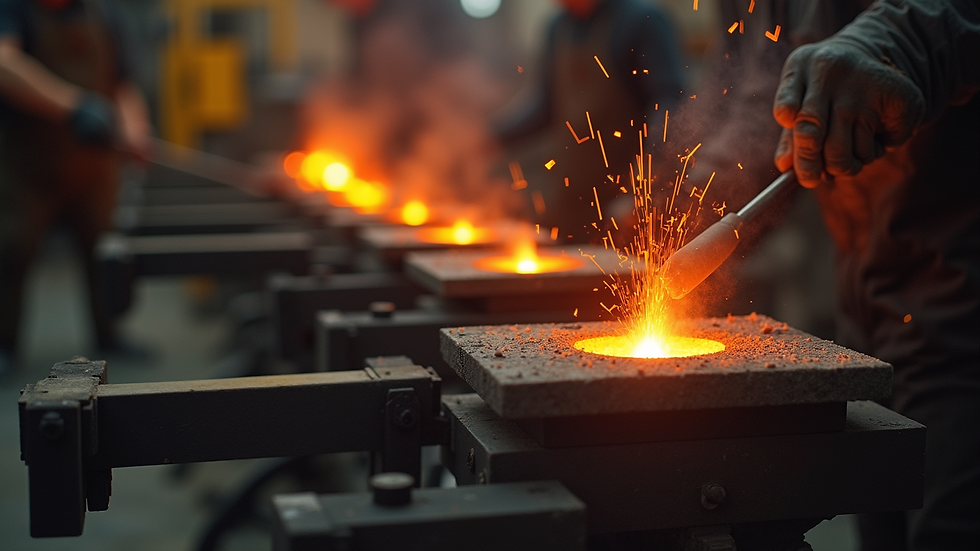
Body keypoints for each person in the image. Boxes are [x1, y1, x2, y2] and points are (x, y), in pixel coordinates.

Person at [688, 0, 978, 548]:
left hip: (961, 301)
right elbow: (764, 98)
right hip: (868, 306)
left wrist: (889, 43)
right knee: (881, 521)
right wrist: (692, 198)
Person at [0, 0, 151, 375]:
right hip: (27, 161)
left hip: (94, 165)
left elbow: (123, 83)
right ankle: (3, 344)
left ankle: (108, 333)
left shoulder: (103, 13)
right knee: (11, 249)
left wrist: (135, 130)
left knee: (103, 249)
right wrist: (73, 105)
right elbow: (3, 62)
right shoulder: (13, 8)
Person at [495, 0, 685, 242]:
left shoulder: (642, 21)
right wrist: (489, 137)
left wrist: (643, 190)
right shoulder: (558, 28)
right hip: (570, 200)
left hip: (622, 205)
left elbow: (670, 105)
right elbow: (547, 106)